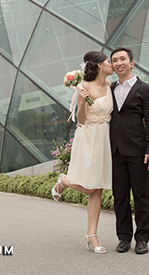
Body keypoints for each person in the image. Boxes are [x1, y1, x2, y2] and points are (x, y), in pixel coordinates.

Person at [51, 51, 114, 254]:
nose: (111, 64)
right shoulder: (84, 87)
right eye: (108, 62)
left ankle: (91, 235)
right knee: (90, 187)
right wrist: (81, 101)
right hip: (88, 137)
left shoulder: (110, 85)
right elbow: (81, 119)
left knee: (98, 189)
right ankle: (65, 181)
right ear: (98, 66)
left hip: (105, 137)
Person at [109, 47, 149, 255]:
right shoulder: (109, 88)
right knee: (119, 196)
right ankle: (123, 237)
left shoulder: (145, 89)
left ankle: (142, 238)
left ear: (131, 63)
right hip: (115, 151)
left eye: (122, 59)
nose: (118, 63)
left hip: (138, 151)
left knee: (141, 196)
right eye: (114, 60)